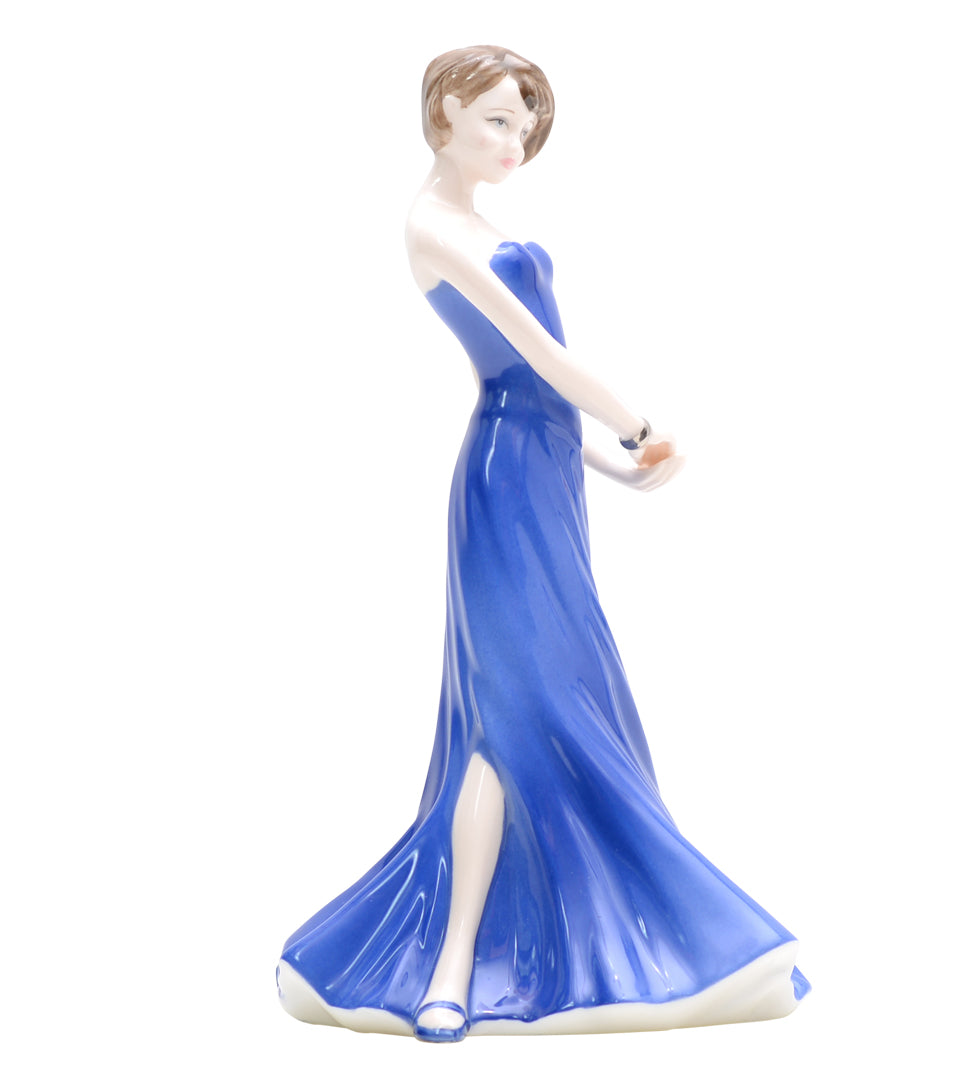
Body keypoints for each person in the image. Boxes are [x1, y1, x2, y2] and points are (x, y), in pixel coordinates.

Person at [277, 45, 809, 1043]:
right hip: (502, 489)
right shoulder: (431, 226)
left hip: (547, 477)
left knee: (565, 705)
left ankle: (582, 937)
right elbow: (543, 360)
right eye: (495, 120)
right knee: (507, 717)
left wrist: (616, 466)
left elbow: (545, 400)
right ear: (444, 111)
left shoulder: (480, 224)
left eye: (523, 127)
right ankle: (449, 965)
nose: (514, 141)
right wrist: (638, 422)